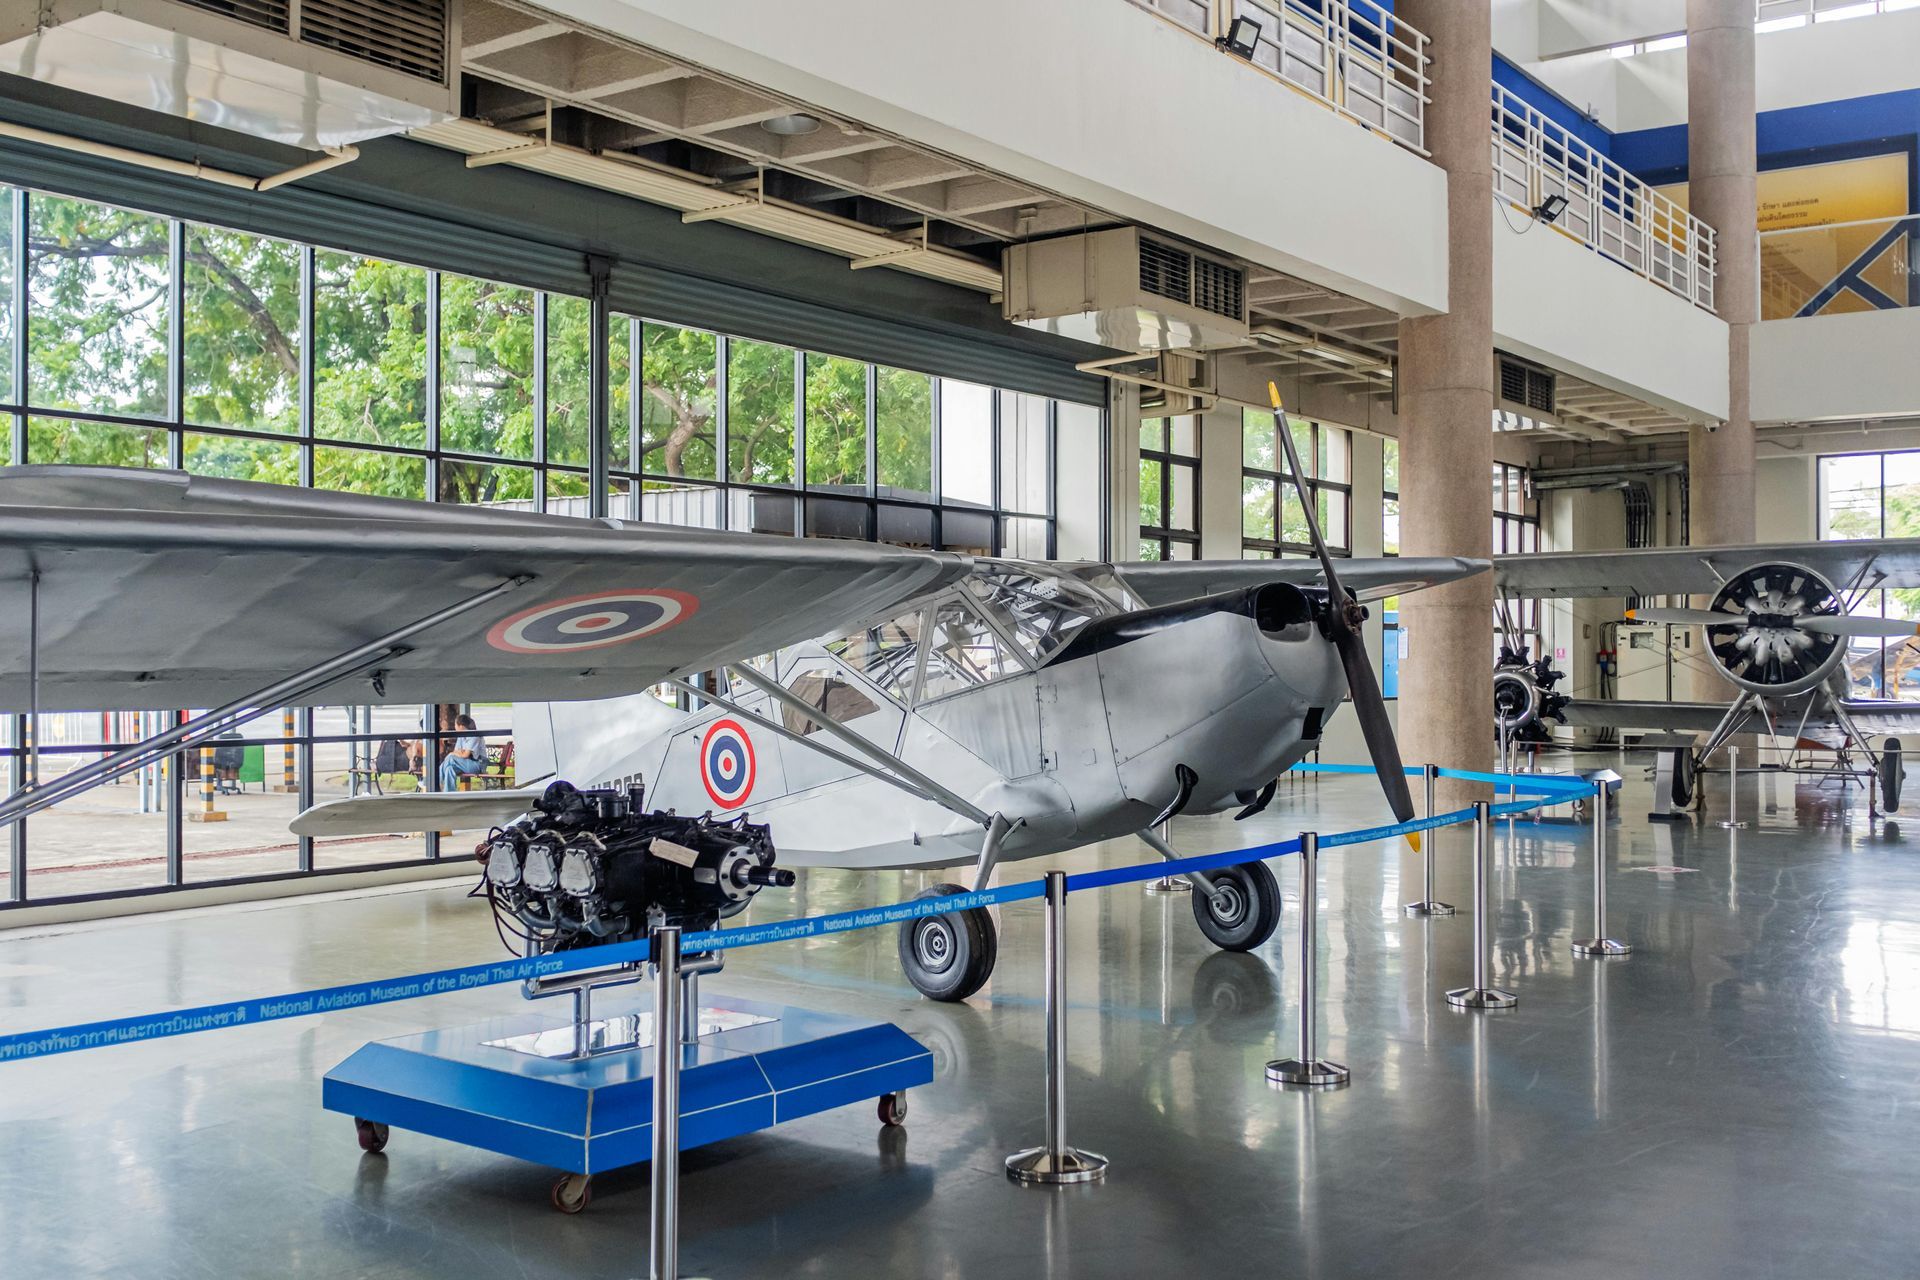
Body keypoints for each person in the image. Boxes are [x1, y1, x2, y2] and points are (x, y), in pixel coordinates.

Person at [439, 715, 489, 792]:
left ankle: (435, 781)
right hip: (465, 764)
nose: (455, 727)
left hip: (477, 765)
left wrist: (454, 753)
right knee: (449, 769)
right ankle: (449, 794)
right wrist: (460, 753)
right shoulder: (461, 736)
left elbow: (465, 755)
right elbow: (457, 752)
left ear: (461, 726)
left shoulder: (474, 736)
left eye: (455, 725)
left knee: (451, 758)